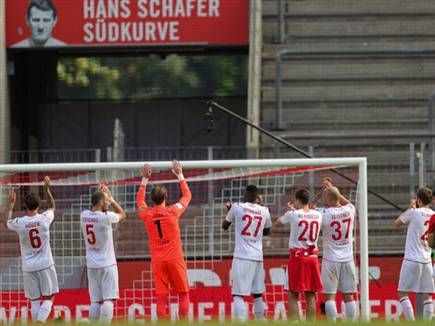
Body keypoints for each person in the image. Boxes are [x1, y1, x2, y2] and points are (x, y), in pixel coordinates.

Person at [136, 160, 192, 320]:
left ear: (151, 200)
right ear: (166, 197)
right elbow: (187, 195)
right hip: (175, 259)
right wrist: (179, 174)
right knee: (183, 294)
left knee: (161, 297)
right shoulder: (173, 211)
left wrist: (144, 179)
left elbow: (139, 202)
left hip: (158, 261)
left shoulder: (146, 214)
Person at [6, 176, 59, 323]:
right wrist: (47, 190)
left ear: (25, 206)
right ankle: (39, 322)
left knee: (34, 300)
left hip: (28, 266)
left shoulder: (20, 223)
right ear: (38, 205)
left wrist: (10, 205)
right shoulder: (44, 218)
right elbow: (52, 207)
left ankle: (38, 321)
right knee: (50, 296)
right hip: (45, 264)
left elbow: (7, 222)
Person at [223, 185, 272, 322]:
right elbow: (267, 231)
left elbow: (224, 226)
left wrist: (230, 211)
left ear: (246, 195)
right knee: (257, 294)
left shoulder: (237, 207)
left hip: (242, 257)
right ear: (257, 197)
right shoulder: (264, 210)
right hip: (257, 257)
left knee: (238, 295)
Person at [80, 183, 127, 323]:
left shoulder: (83, 215)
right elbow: (123, 215)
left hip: (92, 265)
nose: (107, 203)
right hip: (107, 264)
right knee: (108, 300)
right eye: (105, 202)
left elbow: (94, 208)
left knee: (94, 301)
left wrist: (100, 196)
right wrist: (112, 200)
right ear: (101, 202)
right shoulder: (106, 217)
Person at [275, 188, 323, 322]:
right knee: (311, 295)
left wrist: (291, 212)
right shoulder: (318, 214)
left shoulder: (293, 215)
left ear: (297, 201)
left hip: (298, 257)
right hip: (313, 257)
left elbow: (278, 223)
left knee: (292, 294)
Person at [318, 180, 358, 322]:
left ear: (328, 199)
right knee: (349, 296)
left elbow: (308, 210)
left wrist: (325, 191)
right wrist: (333, 191)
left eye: (324, 197)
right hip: (347, 260)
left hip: (331, 260)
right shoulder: (350, 210)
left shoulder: (323, 213)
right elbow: (346, 202)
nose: (323, 200)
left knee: (330, 296)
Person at [394, 187, 434, 321]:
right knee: (427, 295)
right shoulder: (434, 215)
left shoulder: (413, 212)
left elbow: (397, 223)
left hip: (411, 259)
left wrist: (410, 207)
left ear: (418, 199)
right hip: (427, 260)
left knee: (402, 293)